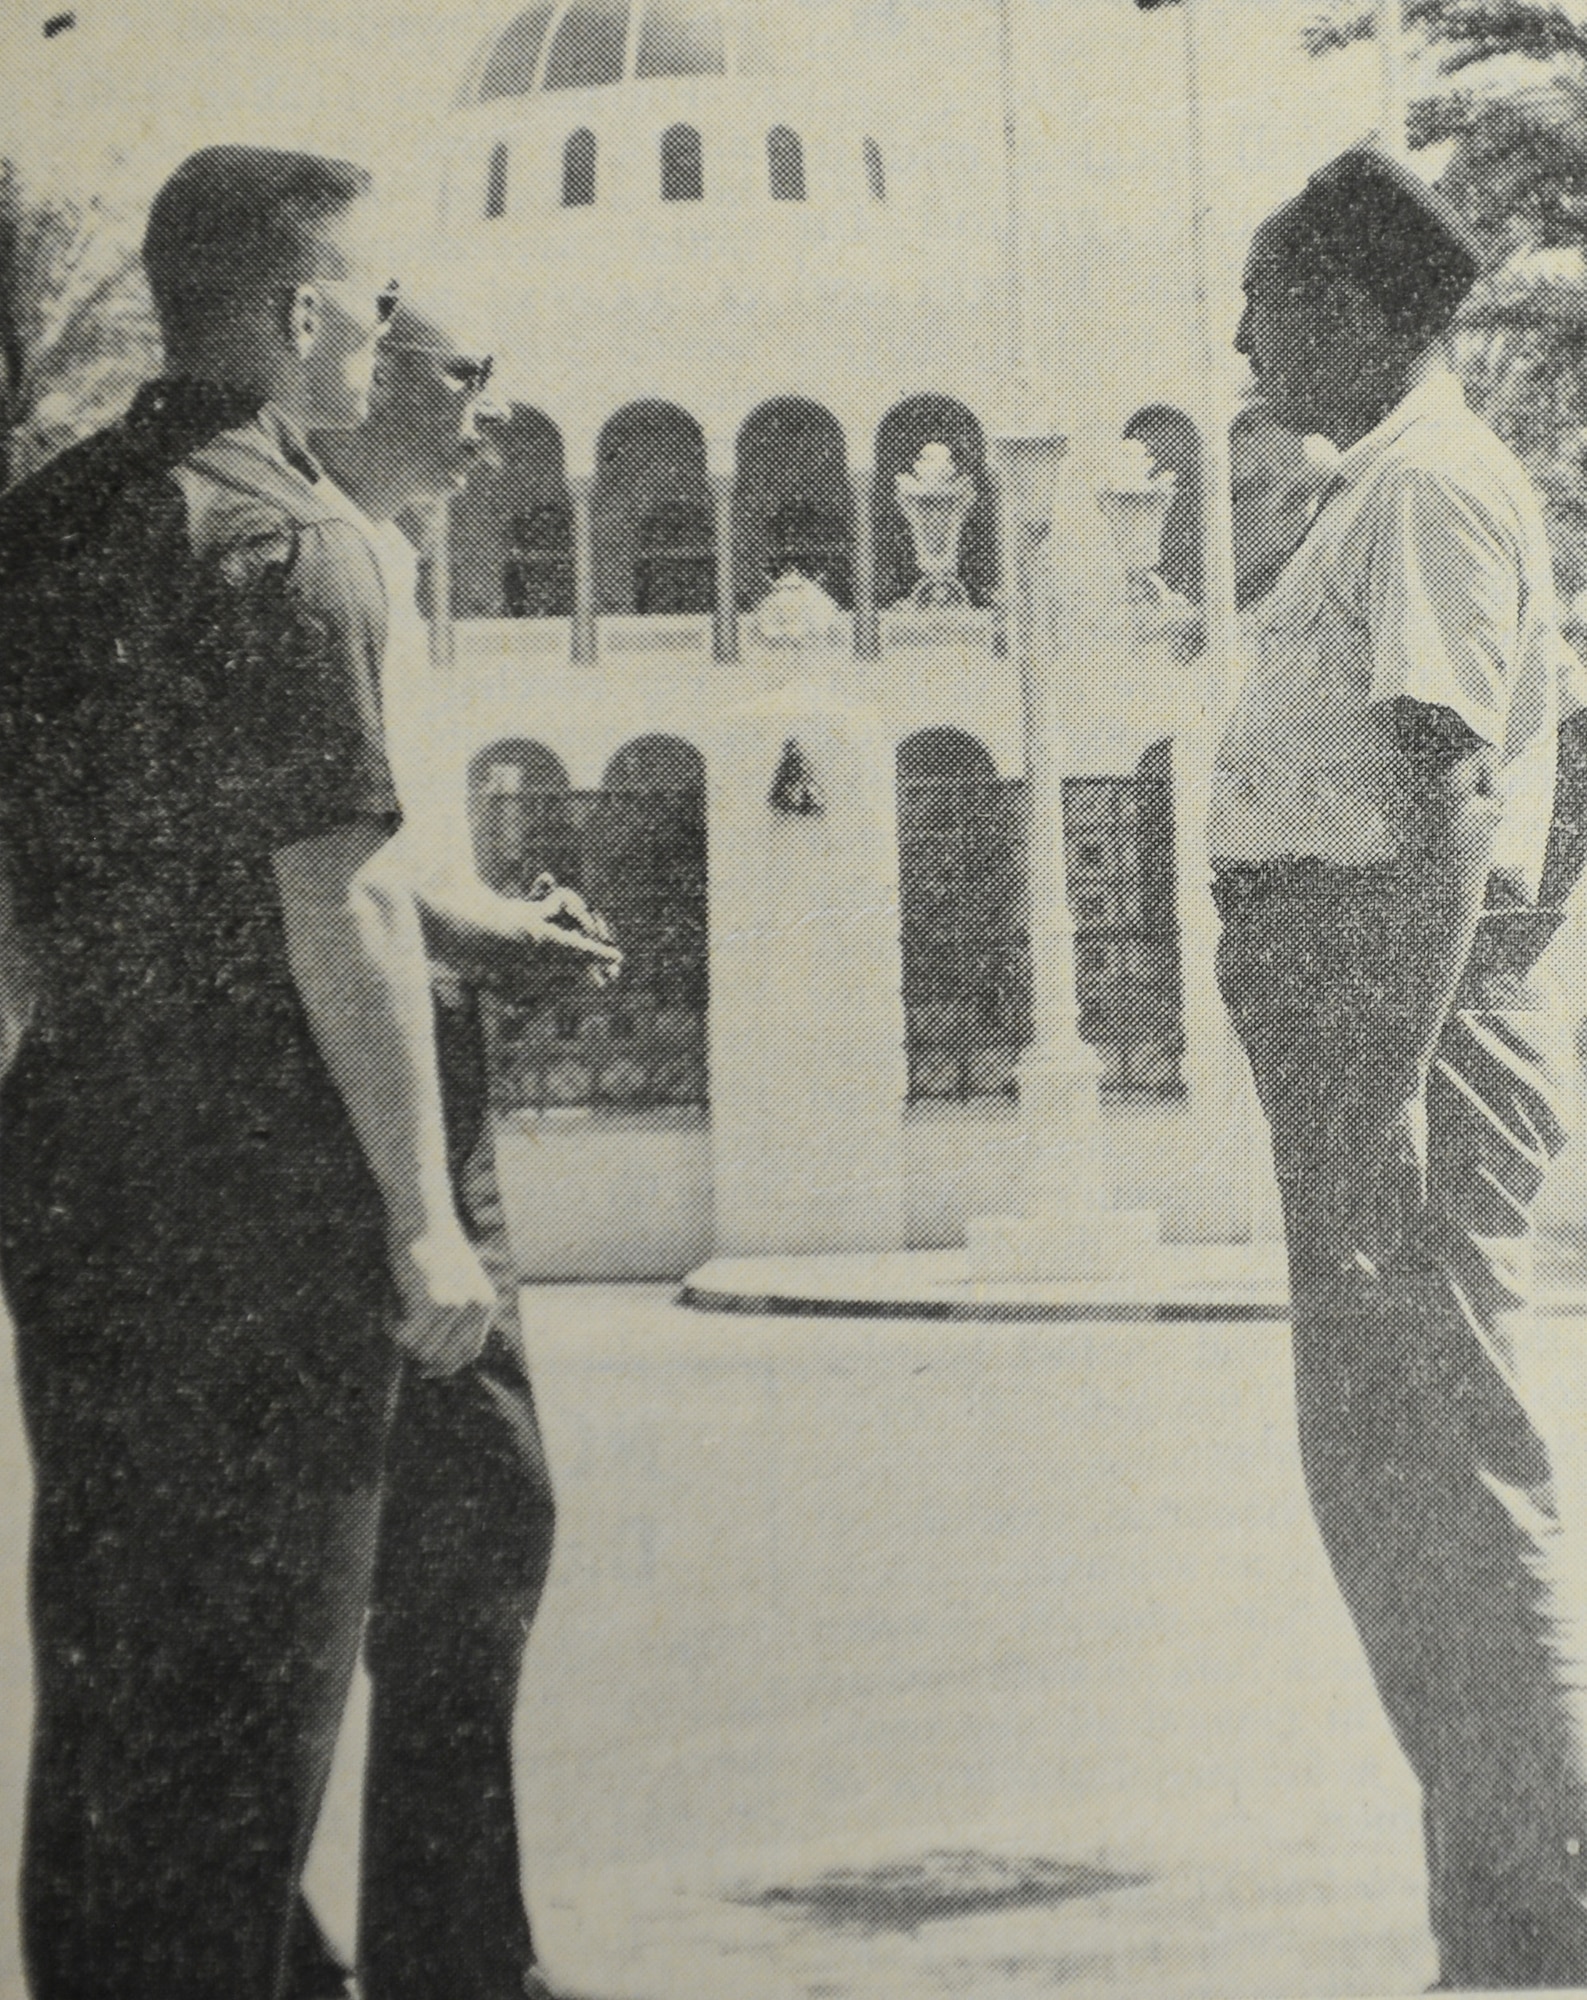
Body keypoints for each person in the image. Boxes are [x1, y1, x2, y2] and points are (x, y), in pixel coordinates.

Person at [0, 146, 500, 2000]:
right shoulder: (290, 547)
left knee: (109, 1688)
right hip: (263, 1193)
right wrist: (425, 1225)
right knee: (251, 1714)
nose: (383, 343)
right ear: (298, 323)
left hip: (72, 1165)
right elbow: (342, 901)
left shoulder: (43, 527)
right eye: (370, 310)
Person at [1212, 143, 1587, 1988]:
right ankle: (1503, 1921)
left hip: (1391, 1017)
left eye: (1262, 303)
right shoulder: (1403, 486)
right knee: (1393, 1478)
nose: (1239, 342)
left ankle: (1537, 1936)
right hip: (1394, 1004)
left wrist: (1401, 1057)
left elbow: (1452, 787)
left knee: (1439, 1465)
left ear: (1349, 311)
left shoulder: (1427, 487)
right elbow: (1566, 753)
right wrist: (1511, 945)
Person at [306, 300, 618, 2000]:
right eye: (456, 373)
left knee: (464, 1534)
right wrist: (470, 934)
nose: (488, 412)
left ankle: (446, 1957)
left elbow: (395, 854)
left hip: (433, 1044)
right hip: (371, 1080)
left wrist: (491, 921)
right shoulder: (312, 566)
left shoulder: (383, 565)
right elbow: (333, 878)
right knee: (448, 1523)